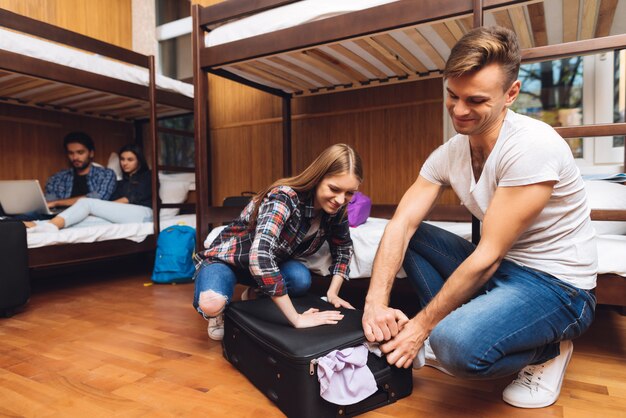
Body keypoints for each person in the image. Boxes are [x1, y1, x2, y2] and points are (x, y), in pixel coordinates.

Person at [361, 26, 597, 409]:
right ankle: (451, 327)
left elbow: (486, 256)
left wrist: (421, 329)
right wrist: (375, 301)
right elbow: (401, 224)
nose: (458, 110)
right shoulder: (449, 153)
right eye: (452, 96)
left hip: (558, 288)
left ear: (511, 95)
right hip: (506, 269)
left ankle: (549, 351)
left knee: (455, 347)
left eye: (475, 100)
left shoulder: (532, 146)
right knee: (412, 234)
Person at [193, 143, 362, 340]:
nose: (341, 200)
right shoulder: (284, 197)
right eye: (334, 188)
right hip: (227, 261)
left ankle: (255, 294)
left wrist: (332, 294)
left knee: (300, 279)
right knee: (211, 303)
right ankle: (219, 312)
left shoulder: (338, 211)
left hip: (264, 268)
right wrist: (296, 319)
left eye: (350, 193)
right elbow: (260, 256)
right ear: (318, 178)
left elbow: (343, 248)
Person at [26, 144, 153, 232]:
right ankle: (39, 226)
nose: (124, 163)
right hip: (126, 215)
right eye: (122, 159)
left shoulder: (148, 176)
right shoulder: (121, 183)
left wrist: (97, 208)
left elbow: (128, 199)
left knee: (87, 203)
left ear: (139, 161)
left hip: (144, 213)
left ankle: (49, 225)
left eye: (130, 159)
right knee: (90, 221)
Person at [45, 131, 117, 209]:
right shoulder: (57, 178)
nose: (75, 157)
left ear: (91, 153)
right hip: (59, 217)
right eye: (71, 153)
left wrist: (56, 203)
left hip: (91, 218)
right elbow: (48, 202)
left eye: (80, 152)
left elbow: (97, 199)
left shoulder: (106, 174)